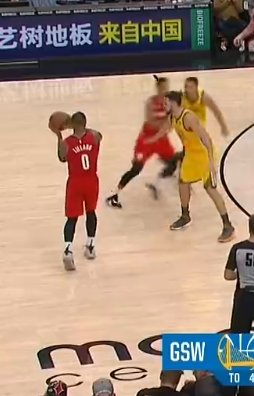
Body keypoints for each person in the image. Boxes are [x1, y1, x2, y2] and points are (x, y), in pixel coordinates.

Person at [156, 91, 234, 240]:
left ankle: (228, 225)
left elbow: (206, 138)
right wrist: (151, 140)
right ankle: (185, 216)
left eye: (166, 103)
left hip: (204, 155)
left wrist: (211, 161)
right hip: (191, 155)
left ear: (173, 103)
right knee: (183, 183)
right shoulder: (172, 117)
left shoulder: (189, 118)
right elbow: (163, 130)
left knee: (210, 189)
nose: (164, 105)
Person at [106, 77, 183, 209]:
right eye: (162, 87)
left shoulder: (169, 103)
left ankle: (156, 185)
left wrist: (169, 122)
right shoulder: (151, 102)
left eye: (166, 87)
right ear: (157, 88)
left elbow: (172, 121)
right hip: (147, 139)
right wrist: (167, 123)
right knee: (136, 168)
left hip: (161, 139)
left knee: (172, 163)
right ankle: (114, 194)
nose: (165, 90)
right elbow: (151, 121)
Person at [55, 112, 102, 271]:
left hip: (75, 182)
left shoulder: (67, 143)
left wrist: (59, 135)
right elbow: (97, 134)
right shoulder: (95, 136)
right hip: (91, 181)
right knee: (91, 212)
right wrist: (80, 126)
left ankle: (68, 250)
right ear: (85, 123)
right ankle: (90, 246)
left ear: (72, 125)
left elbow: (62, 157)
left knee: (72, 218)